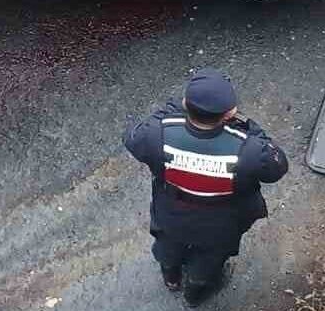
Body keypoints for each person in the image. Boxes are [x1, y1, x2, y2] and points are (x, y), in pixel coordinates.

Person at [123, 68, 288, 306]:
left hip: (172, 213)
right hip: (222, 223)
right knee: (208, 260)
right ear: (229, 112)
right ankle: (193, 295)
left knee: (168, 246)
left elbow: (132, 137)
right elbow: (277, 168)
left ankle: (171, 278)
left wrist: (171, 111)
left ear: (185, 104)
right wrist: (253, 130)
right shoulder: (250, 149)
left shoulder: (156, 134)